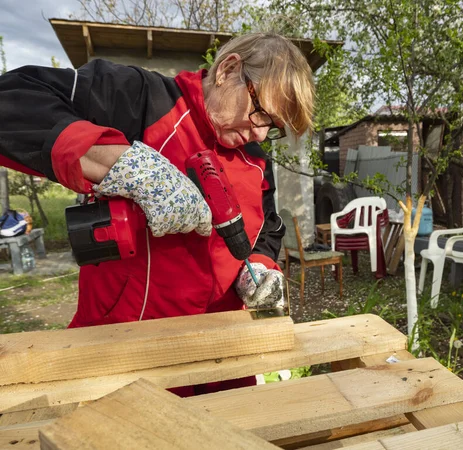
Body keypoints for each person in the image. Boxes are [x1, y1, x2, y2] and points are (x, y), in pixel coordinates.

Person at [0, 32, 314, 394]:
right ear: (228, 70)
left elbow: (268, 228)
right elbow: (12, 99)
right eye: (260, 111)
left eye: (272, 127)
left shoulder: (256, 157)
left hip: (222, 355)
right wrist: (125, 164)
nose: (259, 131)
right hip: (125, 352)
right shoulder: (139, 97)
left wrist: (258, 268)